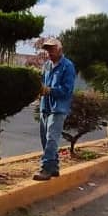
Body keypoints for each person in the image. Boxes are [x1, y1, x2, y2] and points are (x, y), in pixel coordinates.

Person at [34, 37, 76, 181]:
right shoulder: (46, 66)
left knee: (51, 139)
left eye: (51, 49)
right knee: (45, 140)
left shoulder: (67, 66)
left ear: (59, 49)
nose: (49, 52)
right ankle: (54, 168)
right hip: (45, 107)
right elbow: (41, 83)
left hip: (58, 108)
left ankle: (45, 169)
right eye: (47, 49)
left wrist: (50, 90)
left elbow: (67, 90)